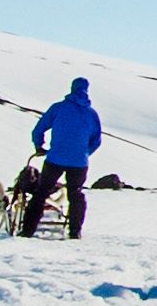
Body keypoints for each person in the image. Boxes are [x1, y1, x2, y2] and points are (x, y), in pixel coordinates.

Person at [22, 79, 103, 240]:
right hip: (79, 163)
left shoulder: (58, 108)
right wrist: (84, 153)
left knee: (41, 193)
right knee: (75, 195)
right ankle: (75, 232)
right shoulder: (92, 114)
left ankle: (27, 231)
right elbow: (97, 140)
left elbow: (39, 129)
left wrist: (39, 147)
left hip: (55, 159)